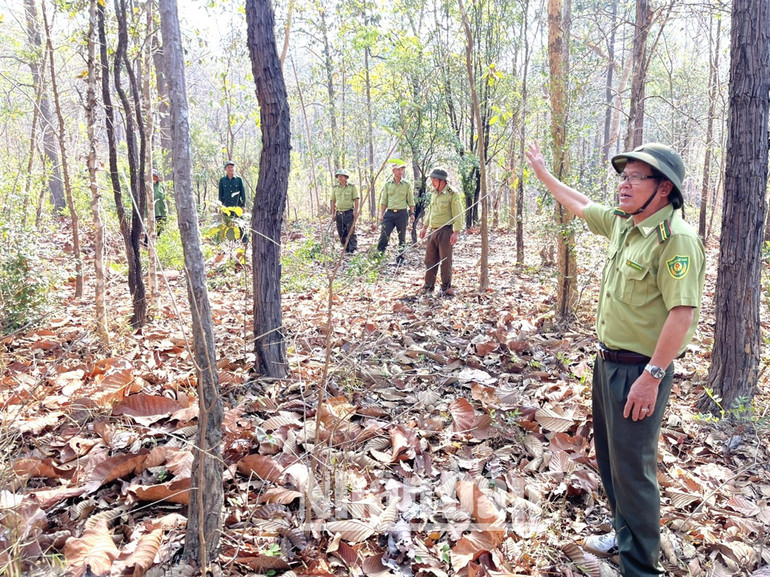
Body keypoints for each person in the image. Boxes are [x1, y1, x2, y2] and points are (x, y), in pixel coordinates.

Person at [525, 141, 705, 577]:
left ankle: (640, 567)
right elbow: (581, 204)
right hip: (608, 363)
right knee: (612, 463)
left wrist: (652, 376)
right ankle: (625, 536)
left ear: (664, 188)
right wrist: (544, 174)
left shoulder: (676, 240)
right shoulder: (627, 224)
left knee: (634, 470)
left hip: (640, 371)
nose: (624, 185)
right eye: (623, 177)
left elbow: (682, 314)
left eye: (635, 178)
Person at [419, 168, 463, 297]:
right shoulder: (434, 193)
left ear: (442, 181)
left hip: (445, 231)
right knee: (430, 260)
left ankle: (445, 288)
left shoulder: (452, 194)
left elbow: (458, 214)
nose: (432, 183)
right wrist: (425, 227)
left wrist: (456, 232)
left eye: (434, 180)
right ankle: (428, 286)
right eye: (432, 180)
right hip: (432, 231)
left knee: (445, 261)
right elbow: (430, 211)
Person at [376, 161, 414, 264]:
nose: (400, 172)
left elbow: (410, 200)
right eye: (398, 169)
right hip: (389, 213)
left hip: (402, 214)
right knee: (384, 235)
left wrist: (412, 213)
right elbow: (384, 201)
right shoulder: (388, 185)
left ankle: (400, 258)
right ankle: (378, 257)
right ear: (393, 170)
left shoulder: (407, 185)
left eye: (401, 169)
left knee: (402, 237)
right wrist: (382, 214)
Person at [330, 169, 359, 253]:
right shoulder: (335, 188)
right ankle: (346, 249)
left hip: (349, 212)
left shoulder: (351, 187)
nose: (340, 178)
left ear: (346, 177)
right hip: (339, 213)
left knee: (351, 231)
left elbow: (356, 199)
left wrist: (356, 212)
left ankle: (353, 249)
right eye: (338, 176)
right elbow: (333, 201)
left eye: (342, 176)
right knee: (341, 232)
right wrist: (333, 213)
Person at [218, 160, 247, 242]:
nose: (230, 169)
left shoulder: (239, 180)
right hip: (226, 206)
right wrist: (221, 207)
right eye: (228, 167)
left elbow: (243, 193)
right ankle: (233, 242)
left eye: (232, 167)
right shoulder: (222, 180)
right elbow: (220, 194)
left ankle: (244, 240)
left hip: (237, 206)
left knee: (241, 223)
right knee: (229, 224)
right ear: (225, 169)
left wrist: (243, 206)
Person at [153, 170, 167, 236]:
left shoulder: (161, 186)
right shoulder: (148, 186)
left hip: (161, 211)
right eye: (153, 176)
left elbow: (163, 197)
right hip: (152, 211)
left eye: (155, 176)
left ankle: (159, 238)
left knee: (161, 228)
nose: (154, 178)